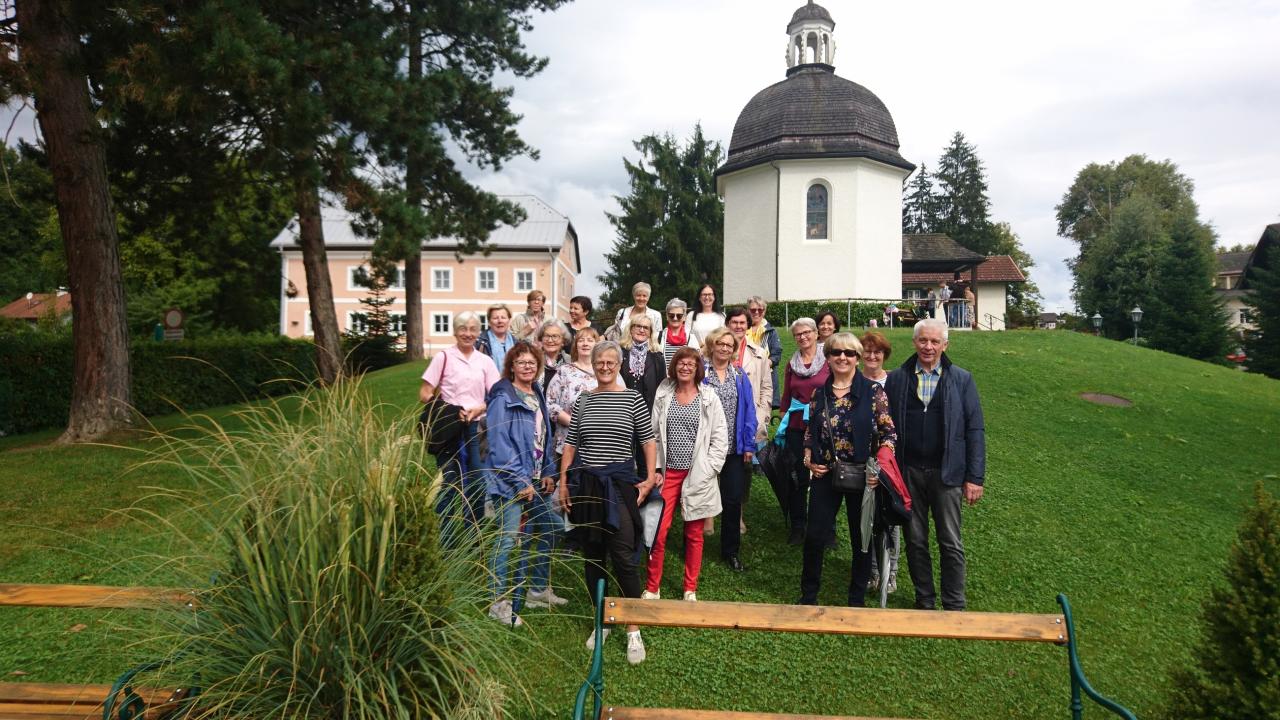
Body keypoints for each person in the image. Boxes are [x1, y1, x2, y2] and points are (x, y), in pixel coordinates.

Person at [557, 341, 660, 665]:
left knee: (624, 556)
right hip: (587, 484)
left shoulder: (632, 398)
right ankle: (602, 619)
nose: (604, 366)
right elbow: (571, 444)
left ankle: (632, 626)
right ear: (594, 362)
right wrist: (563, 482)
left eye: (610, 362)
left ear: (619, 365)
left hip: (619, 486)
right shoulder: (584, 400)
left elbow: (647, 440)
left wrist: (648, 478)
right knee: (593, 556)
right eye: (599, 361)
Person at [884, 318, 986, 611]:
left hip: (947, 474)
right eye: (923, 341)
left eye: (934, 342)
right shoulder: (898, 379)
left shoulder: (962, 379)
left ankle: (954, 604)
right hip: (909, 472)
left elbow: (974, 430)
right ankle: (924, 600)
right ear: (914, 342)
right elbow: (886, 425)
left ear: (945, 345)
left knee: (950, 541)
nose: (928, 347)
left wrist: (974, 477)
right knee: (916, 541)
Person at [798, 332, 897, 606]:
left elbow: (889, 434)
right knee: (815, 537)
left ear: (857, 358)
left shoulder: (874, 392)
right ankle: (808, 596)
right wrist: (808, 457)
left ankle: (856, 600)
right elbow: (810, 431)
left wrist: (878, 468)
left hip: (863, 477)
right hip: (825, 474)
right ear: (828, 357)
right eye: (836, 352)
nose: (843, 357)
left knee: (861, 539)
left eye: (850, 353)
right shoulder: (820, 393)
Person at [483, 342, 559, 626]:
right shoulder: (503, 397)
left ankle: (537, 590)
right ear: (511, 365)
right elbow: (499, 445)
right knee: (507, 539)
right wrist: (519, 482)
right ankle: (497, 601)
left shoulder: (536, 392)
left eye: (532, 362)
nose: (527, 366)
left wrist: (549, 471)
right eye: (522, 362)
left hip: (538, 478)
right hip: (511, 483)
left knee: (551, 527)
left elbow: (545, 437)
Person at [643, 347, 728, 601]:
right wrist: (656, 468)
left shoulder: (709, 397)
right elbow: (654, 434)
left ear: (698, 368)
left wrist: (710, 468)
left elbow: (719, 438)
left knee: (694, 533)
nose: (686, 367)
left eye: (691, 363)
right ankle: (652, 586)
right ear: (675, 366)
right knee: (658, 531)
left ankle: (690, 588)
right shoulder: (664, 392)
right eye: (681, 363)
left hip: (697, 474)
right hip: (667, 473)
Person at [419, 311, 500, 537]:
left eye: (473, 329)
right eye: (463, 329)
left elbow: (496, 395)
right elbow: (425, 392)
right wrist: (449, 409)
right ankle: (446, 539)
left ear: (478, 332)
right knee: (448, 482)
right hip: (449, 428)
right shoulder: (443, 357)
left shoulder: (485, 361)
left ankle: (472, 537)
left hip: (477, 427)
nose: (468, 333)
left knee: (477, 483)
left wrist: (479, 408)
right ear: (455, 331)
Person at [702, 327, 758, 572]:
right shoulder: (701, 373)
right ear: (712, 345)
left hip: (734, 448)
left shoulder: (740, 376)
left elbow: (749, 411)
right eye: (720, 343)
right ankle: (693, 545)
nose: (724, 348)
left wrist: (748, 444)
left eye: (729, 345)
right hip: (706, 448)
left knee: (733, 501)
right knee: (701, 497)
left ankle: (730, 551)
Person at [778, 317, 830, 545]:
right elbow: (787, 396)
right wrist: (783, 419)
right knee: (798, 477)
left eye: (807, 332)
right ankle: (798, 525)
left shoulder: (828, 359)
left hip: (824, 427)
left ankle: (825, 528)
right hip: (797, 426)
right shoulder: (792, 363)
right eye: (798, 334)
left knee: (824, 476)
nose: (803, 337)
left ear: (816, 333)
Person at [724, 307, 773, 536]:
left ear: (748, 326)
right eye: (734, 322)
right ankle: (711, 515)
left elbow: (766, 388)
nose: (738, 326)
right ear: (727, 325)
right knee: (715, 467)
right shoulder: (716, 348)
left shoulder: (760, 353)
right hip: (721, 418)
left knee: (744, 469)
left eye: (743, 323)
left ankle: (739, 515)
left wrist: (762, 418)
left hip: (748, 421)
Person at [859, 331, 898, 593]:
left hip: (890, 457)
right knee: (867, 516)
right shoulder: (854, 381)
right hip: (862, 458)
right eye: (868, 351)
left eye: (878, 352)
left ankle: (891, 573)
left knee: (890, 516)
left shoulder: (895, 381)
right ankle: (872, 571)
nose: (872, 356)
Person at [547, 328, 605, 461]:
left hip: (597, 444)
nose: (585, 344)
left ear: (597, 345)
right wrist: (574, 423)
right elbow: (549, 403)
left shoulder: (605, 371)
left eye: (590, 340)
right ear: (576, 345)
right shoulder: (564, 371)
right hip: (567, 442)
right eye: (581, 340)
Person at [618, 315, 665, 412]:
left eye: (646, 328)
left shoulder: (657, 357)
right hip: (622, 408)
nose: (642, 330)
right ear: (631, 329)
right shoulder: (619, 353)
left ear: (650, 333)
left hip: (648, 410)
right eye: (638, 326)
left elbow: (662, 387)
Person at [745, 296, 783, 407]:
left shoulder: (771, 332)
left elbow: (776, 355)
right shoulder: (741, 329)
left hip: (764, 376)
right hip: (743, 375)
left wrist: (762, 365)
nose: (756, 312)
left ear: (764, 311)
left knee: (762, 412)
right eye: (752, 310)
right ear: (747, 311)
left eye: (760, 310)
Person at [658, 297, 700, 368]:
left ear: (684, 317)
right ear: (667, 316)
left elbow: (696, 361)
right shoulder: (658, 336)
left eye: (679, 316)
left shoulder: (691, 337)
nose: (675, 318)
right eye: (671, 315)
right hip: (664, 378)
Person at [477, 304, 516, 369]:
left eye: (503, 318)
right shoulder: (479, 343)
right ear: (489, 322)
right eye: (495, 318)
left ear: (509, 320)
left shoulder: (516, 343)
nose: (500, 321)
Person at [536, 319, 570, 390]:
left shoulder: (571, 362)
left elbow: (581, 389)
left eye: (555, 336)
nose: (550, 340)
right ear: (541, 339)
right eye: (546, 336)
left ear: (563, 340)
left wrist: (582, 401)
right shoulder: (534, 361)